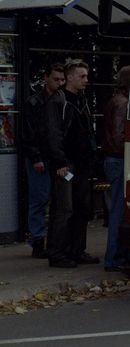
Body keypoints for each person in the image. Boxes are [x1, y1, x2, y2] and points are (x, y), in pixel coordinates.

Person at [40, 60, 98, 268]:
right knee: (63, 209)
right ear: (70, 77)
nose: (86, 80)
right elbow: (52, 134)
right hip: (67, 163)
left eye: (86, 76)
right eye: (82, 76)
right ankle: (57, 253)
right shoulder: (58, 101)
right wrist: (59, 161)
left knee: (81, 208)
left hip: (81, 162)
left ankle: (76, 250)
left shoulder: (80, 100)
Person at [101, 66, 130, 272]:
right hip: (120, 161)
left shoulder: (119, 101)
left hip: (115, 160)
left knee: (122, 211)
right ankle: (115, 258)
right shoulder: (123, 104)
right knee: (120, 212)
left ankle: (123, 255)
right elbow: (120, 138)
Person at [20, 63, 65, 259]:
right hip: (43, 158)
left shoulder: (56, 100)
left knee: (48, 200)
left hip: (51, 158)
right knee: (39, 201)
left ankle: (41, 239)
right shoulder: (35, 103)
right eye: (56, 79)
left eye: (62, 80)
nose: (60, 83)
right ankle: (38, 240)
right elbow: (28, 133)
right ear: (46, 78)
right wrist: (36, 157)